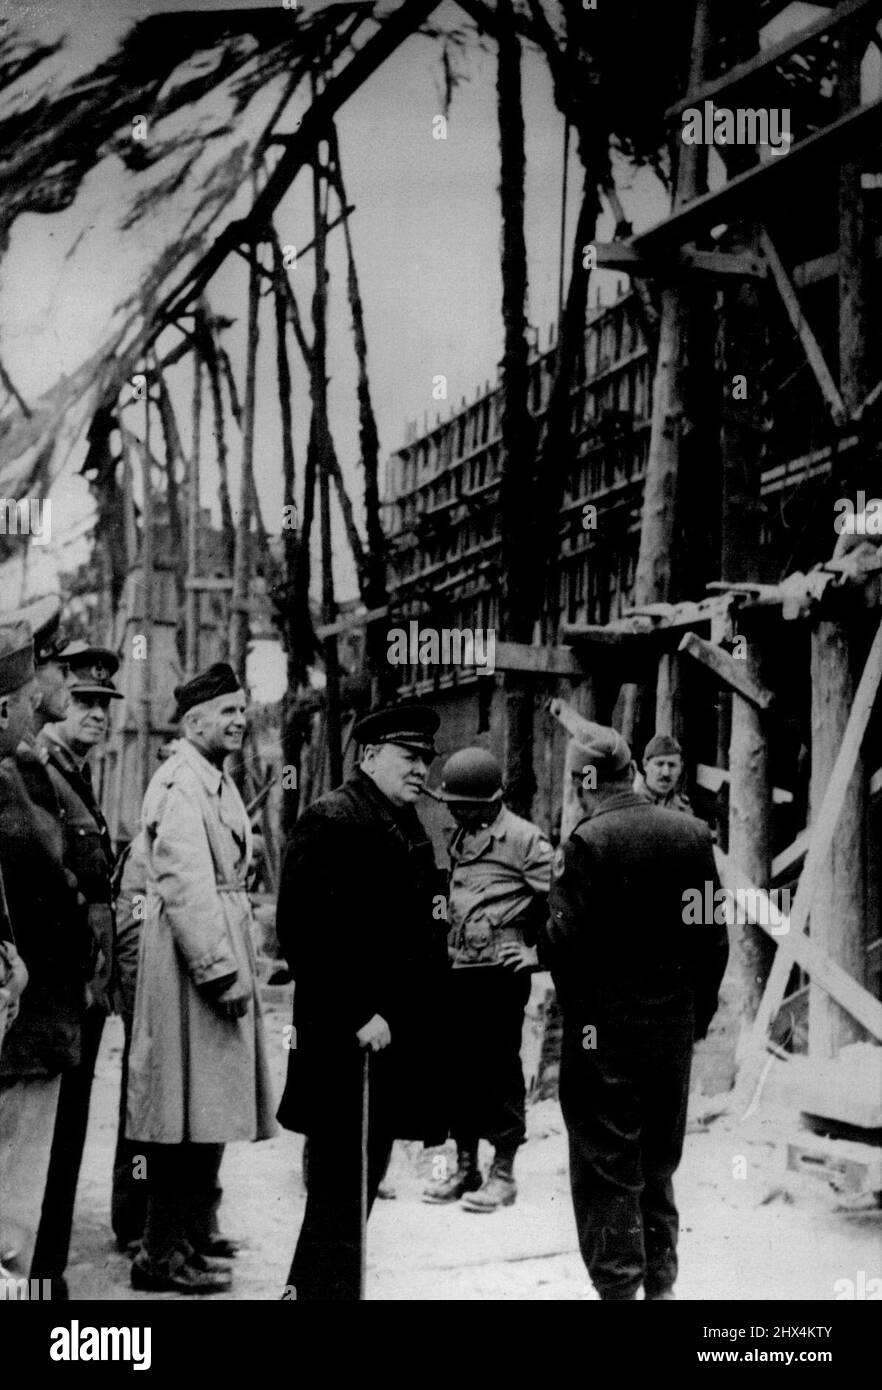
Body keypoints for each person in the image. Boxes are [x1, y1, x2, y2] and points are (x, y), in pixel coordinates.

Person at [544, 720, 728, 1302]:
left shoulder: (586, 844)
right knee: (657, 1163)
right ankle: (661, 1288)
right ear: (632, 773)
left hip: (605, 1035)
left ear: (583, 781)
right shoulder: (693, 835)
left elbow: (564, 950)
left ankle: (621, 1291)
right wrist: (690, 1021)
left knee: (607, 1167)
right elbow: (713, 942)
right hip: (670, 1030)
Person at [276, 701, 448, 1301]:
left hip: (384, 1040)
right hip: (343, 1043)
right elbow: (304, 935)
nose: (421, 768)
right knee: (339, 1197)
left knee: (353, 1198)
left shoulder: (403, 823)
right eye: (409, 756)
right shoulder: (333, 820)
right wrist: (358, 1015)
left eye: (426, 758)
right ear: (369, 756)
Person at [126, 662, 276, 1294]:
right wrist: (220, 971)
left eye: (243, 710)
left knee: (202, 1110)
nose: (239, 721)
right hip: (191, 961)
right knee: (180, 1114)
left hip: (211, 945)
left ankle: (184, 1241)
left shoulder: (210, 777)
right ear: (193, 722)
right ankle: (159, 1256)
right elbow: (185, 884)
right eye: (227, 713)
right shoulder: (180, 781)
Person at [30, 642, 123, 1298]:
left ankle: (47, 1271)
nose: (98, 714)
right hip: (55, 991)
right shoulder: (39, 771)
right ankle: (40, 1276)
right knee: (50, 1141)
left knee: (66, 1136)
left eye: (106, 705)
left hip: (82, 990)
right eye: (85, 701)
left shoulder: (76, 774)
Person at [422, 747, 552, 1212]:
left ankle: (504, 1172)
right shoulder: (462, 834)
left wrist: (538, 954)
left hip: (499, 974)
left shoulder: (524, 839)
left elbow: (563, 903)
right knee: (458, 1069)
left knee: (497, 1067)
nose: (453, 810)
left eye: (461, 803)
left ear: (489, 800)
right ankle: (466, 1165)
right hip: (459, 970)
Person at [0, 623, 86, 1286]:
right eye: (30, 693)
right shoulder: (12, 775)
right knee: (11, 1223)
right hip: (23, 1031)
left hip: (31, 1022)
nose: (37, 707)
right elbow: (42, 881)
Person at [633, 732, 692, 813]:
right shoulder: (631, 804)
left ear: (680, 768)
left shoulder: (683, 807)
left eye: (672, 765)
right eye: (659, 764)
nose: (666, 773)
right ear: (645, 765)